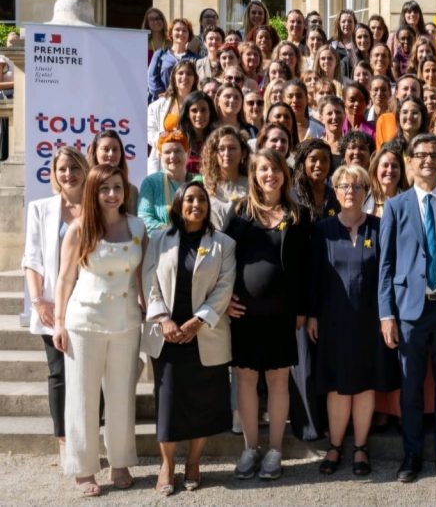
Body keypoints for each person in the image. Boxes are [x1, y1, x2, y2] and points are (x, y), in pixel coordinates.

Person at [379, 133, 436, 483]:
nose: (427, 161)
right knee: (411, 386)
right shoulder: (395, 206)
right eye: (419, 155)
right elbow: (386, 265)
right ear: (410, 162)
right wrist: (386, 314)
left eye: (433, 154)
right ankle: (411, 455)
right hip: (409, 312)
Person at [52, 164, 147, 497]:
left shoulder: (137, 226)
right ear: (94, 191)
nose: (111, 194)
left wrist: (146, 306)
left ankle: (120, 461)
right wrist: (59, 322)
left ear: (125, 191)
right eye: (104, 188)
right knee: (82, 397)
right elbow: (64, 278)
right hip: (85, 322)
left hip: (125, 321)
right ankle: (83, 467)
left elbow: (139, 275)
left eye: (117, 187)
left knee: (122, 395)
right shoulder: (79, 229)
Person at [142, 181, 235, 495]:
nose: (196, 205)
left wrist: (199, 321)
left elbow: (224, 288)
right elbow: (148, 282)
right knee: (168, 404)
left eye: (202, 200)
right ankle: (166, 465)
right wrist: (163, 318)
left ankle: (193, 462)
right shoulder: (158, 239)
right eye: (190, 199)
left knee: (203, 402)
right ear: (179, 204)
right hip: (166, 335)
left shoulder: (223, 244)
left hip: (204, 335)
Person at [224, 149, 311, 481]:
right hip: (243, 313)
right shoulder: (240, 212)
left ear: (283, 175)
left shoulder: (297, 213)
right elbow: (222, 259)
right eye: (263, 169)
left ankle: (274, 450)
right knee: (245, 379)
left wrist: (303, 307)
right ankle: (250, 448)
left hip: (282, 315)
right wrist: (224, 299)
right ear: (254, 175)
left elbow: (304, 267)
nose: (269, 175)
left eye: (275, 169)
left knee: (277, 381)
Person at [308, 165, 400, 476]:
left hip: (370, 321)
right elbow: (315, 279)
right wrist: (311, 315)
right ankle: (335, 447)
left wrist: (389, 317)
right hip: (332, 321)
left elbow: (388, 274)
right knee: (337, 385)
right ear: (335, 191)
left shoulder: (379, 227)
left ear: (366, 192)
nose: (351, 191)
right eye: (345, 185)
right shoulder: (322, 230)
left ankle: (360, 448)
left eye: (358, 186)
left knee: (364, 384)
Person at [23, 147, 89, 460]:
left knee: (90, 373)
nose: (69, 175)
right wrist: (38, 301)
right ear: (54, 172)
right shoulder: (41, 208)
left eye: (74, 168)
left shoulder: (96, 206)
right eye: (62, 169)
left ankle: (87, 433)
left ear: (85, 170)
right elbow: (31, 259)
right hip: (52, 305)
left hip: (91, 305)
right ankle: (64, 439)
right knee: (59, 373)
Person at [147, 60, 197, 174]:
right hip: (163, 161)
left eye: (189, 73)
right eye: (180, 73)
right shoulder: (158, 105)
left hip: (191, 162)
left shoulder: (200, 104)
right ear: (173, 77)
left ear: (195, 79)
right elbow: (149, 131)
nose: (184, 76)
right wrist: (163, 139)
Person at [139, 131, 192, 233]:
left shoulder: (198, 181)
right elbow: (144, 218)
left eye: (177, 151)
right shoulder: (150, 183)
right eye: (167, 152)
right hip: (162, 245)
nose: (172, 156)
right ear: (160, 156)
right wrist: (172, 232)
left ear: (188, 153)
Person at [200, 126, 249, 229]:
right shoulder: (203, 184)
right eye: (221, 149)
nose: (226, 154)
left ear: (243, 153)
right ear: (214, 154)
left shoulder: (252, 185)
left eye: (232, 148)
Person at [87, 131, 140, 214]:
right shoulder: (84, 187)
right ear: (95, 152)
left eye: (115, 149)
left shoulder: (131, 191)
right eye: (105, 149)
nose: (111, 154)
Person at [148, 17, 197, 102]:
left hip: (187, 102)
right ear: (171, 33)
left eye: (185, 30)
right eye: (177, 30)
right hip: (163, 101)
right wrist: (162, 94)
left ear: (189, 34)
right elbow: (151, 77)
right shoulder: (160, 55)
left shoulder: (195, 58)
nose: (181, 33)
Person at [292, 139, 341, 220]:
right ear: (303, 163)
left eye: (324, 160)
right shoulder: (292, 196)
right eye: (313, 159)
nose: (319, 165)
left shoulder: (335, 195)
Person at [178, 91, 219, 176]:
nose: (199, 115)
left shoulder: (218, 139)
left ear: (210, 112)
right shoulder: (178, 140)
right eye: (194, 110)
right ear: (187, 114)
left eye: (203, 110)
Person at [364, 142, 408, 217]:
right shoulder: (362, 198)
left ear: (401, 171)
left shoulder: (409, 202)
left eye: (394, 166)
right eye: (385, 165)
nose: (390, 170)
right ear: (376, 169)